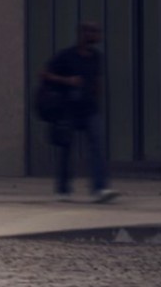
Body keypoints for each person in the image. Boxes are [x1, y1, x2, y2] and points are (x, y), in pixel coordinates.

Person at [36, 21, 113, 200]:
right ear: (83, 34)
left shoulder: (96, 57)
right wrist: (67, 81)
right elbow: (43, 73)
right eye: (93, 31)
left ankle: (99, 189)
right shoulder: (66, 56)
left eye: (98, 31)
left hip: (90, 109)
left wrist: (97, 96)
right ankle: (63, 189)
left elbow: (97, 80)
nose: (97, 35)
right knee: (65, 149)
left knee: (98, 146)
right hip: (68, 109)